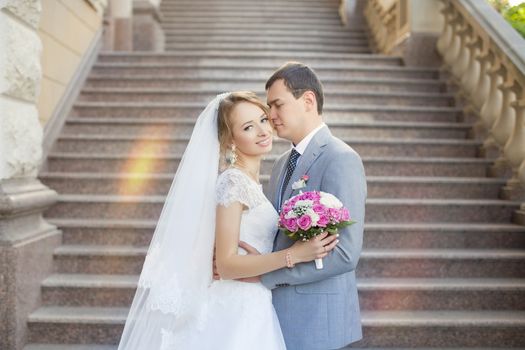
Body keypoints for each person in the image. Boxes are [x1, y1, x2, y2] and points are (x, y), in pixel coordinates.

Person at [117, 91, 339, 350]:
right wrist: (294, 255)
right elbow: (225, 264)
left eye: (263, 120)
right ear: (230, 140)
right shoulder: (233, 183)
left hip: (252, 301)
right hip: (236, 305)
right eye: (248, 127)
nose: (262, 131)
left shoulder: (251, 182)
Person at [242, 62, 367, 350]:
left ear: (308, 100)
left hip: (317, 320)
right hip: (273, 315)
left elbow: (346, 254)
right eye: (268, 107)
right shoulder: (280, 164)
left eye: (277, 105)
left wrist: (266, 275)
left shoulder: (340, 158)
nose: (270, 116)